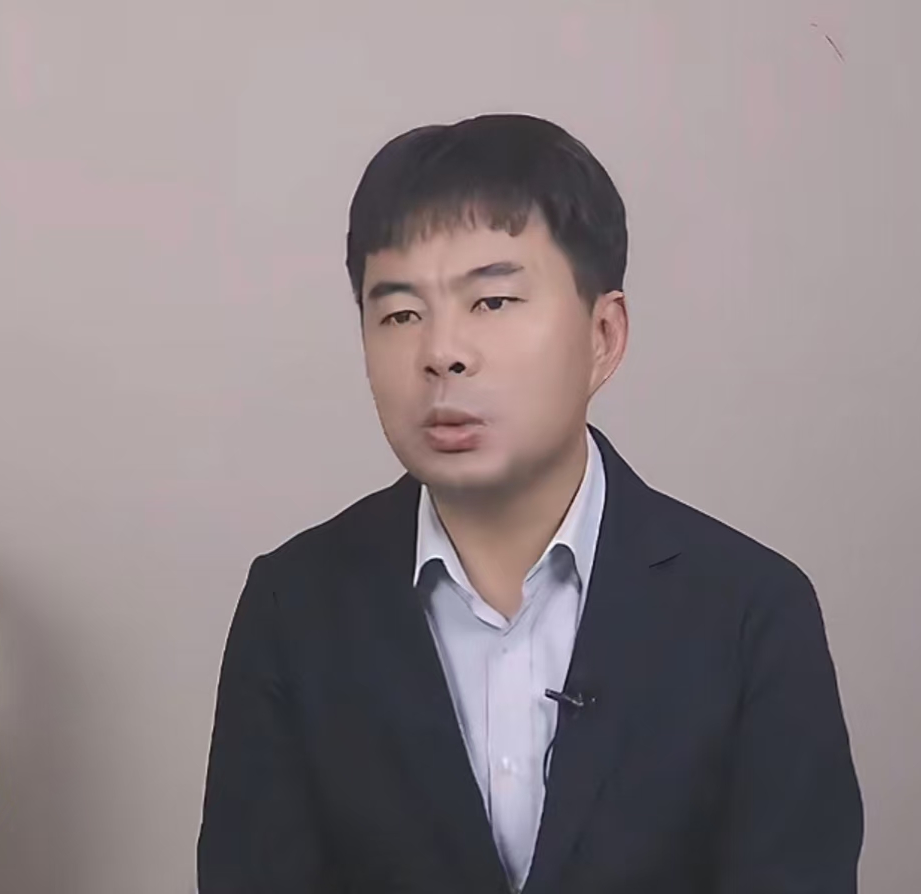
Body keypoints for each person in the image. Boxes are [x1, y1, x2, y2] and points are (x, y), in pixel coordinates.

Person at [196, 114, 863, 893]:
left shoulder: (751, 611)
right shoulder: (294, 605)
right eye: (401, 313)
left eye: (493, 301)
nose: (442, 352)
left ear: (603, 335)